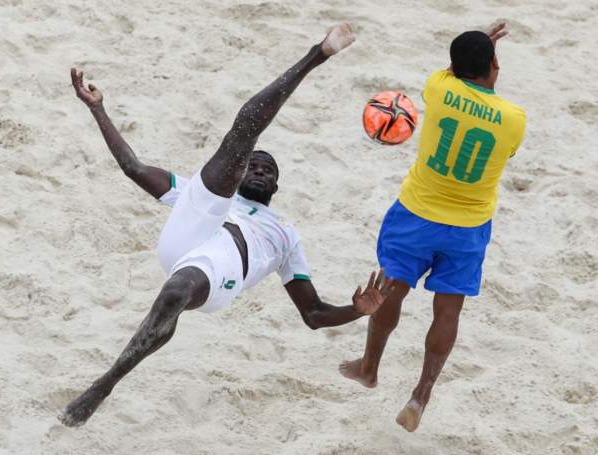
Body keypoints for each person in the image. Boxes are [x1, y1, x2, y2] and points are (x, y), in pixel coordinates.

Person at [61, 23, 394, 427]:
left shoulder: (285, 233)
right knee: (241, 137)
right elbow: (132, 167)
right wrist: (99, 109)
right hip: (193, 227)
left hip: (223, 266)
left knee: (177, 292)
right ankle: (316, 54)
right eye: (252, 165)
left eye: (265, 169)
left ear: (276, 184)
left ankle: (105, 384)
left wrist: (355, 312)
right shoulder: (211, 190)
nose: (257, 170)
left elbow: (313, 313)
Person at [340, 22, 526, 432]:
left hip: (417, 214)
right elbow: (506, 152)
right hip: (468, 226)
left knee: (391, 287)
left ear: (455, 67)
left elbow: (450, 71)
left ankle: (369, 367)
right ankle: (421, 394)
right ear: (494, 64)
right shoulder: (514, 118)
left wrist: (475, 49)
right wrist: (486, 52)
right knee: (448, 309)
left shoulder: (439, 89)